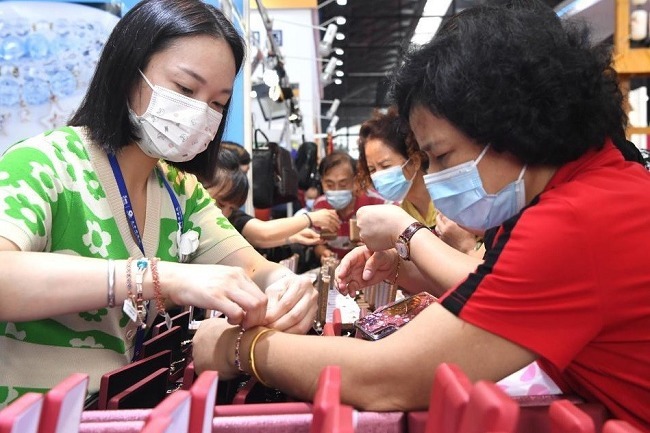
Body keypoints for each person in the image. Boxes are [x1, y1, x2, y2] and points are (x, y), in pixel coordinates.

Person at [191, 2, 650, 430]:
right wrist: (412, 270)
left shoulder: (574, 222)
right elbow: (503, 294)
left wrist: (239, 347)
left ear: (513, 125)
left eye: (442, 155)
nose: (434, 178)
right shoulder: (595, 190)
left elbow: (387, 377)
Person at [0, 0, 316, 408]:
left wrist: (286, 288)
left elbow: (254, 269)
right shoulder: (44, 162)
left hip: (116, 412)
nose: (201, 112)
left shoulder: (179, 189)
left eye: (218, 103)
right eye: (185, 89)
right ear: (127, 71)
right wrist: (156, 277)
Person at [357, 107, 483, 258]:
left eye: (385, 166)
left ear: (414, 161)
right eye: (372, 169)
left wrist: (466, 247)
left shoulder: (457, 201)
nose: (379, 176)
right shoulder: (400, 212)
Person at [201, 148, 340, 249]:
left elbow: (255, 239)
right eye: (219, 204)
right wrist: (309, 219)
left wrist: (293, 238)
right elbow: (263, 233)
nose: (224, 213)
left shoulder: (229, 217)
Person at [312, 151, 384, 261]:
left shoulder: (376, 203)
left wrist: (373, 247)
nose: (336, 190)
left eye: (343, 184)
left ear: (355, 181)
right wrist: (324, 253)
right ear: (322, 182)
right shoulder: (319, 206)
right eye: (329, 184)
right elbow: (317, 243)